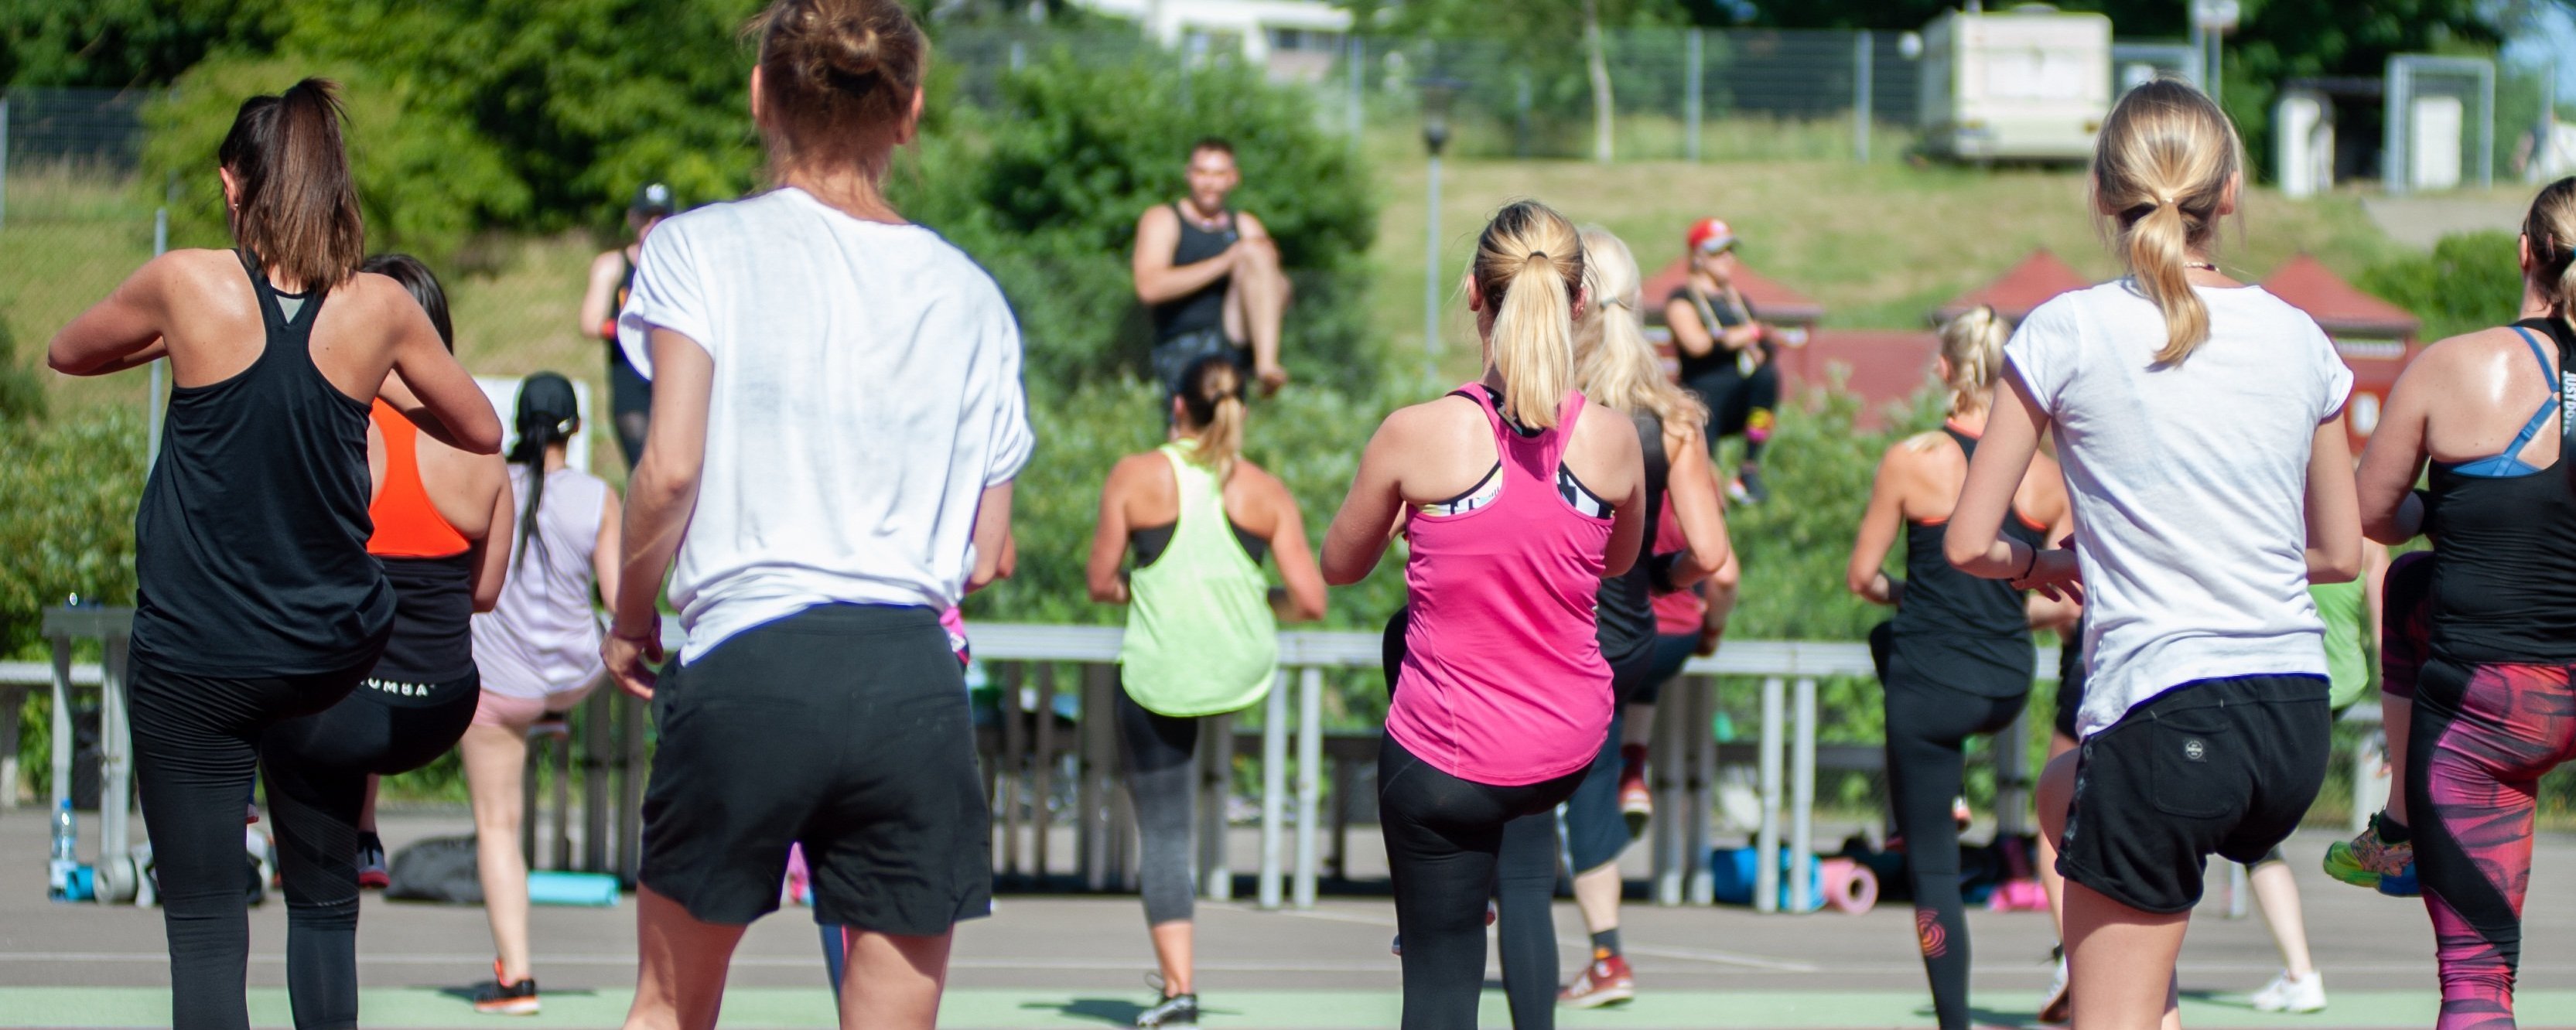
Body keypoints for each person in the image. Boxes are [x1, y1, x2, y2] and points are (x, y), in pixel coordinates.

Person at [598, 2, 1032, 1026]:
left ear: (762, 96)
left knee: (668, 1009)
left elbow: (667, 470)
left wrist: (629, 616)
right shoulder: (971, 297)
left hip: (750, 662)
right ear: (909, 112)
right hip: (910, 685)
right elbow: (984, 551)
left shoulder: (695, 250)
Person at [46, 79, 501, 1030]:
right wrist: (376, 379)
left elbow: (70, 352)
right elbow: (480, 427)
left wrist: (173, 348)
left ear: (232, 183)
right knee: (325, 904)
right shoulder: (376, 307)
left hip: (199, 652)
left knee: (209, 926)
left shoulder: (187, 283)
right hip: (323, 657)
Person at [1942, 78, 2361, 1030]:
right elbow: (2339, 550)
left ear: (2100, 194)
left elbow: (1970, 540)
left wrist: (2039, 566)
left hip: (2168, 707)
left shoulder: (2067, 329)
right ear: (2233, 191)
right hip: (2292, 715)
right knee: (2066, 789)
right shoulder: (2303, 339)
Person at [1320, 199, 1646, 1030]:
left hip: (1450, 761)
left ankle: (1444, 922)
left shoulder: (1416, 435)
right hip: (1562, 745)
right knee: (1521, 851)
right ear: (1578, 303)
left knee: (1440, 980)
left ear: (1475, 293)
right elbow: (1614, 562)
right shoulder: (1615, 441)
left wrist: (1420, 522)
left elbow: (1339, 567)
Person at [249, 252, 512, 1029]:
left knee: (321, 912)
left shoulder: (338, 431)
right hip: (441, 700)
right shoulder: (481, 450)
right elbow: (487, 593)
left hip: (343, 706)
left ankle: (293, 830)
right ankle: (365, 831)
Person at [2343, 176, 2576, 1030]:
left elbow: (2372, 514)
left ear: (2527, 252)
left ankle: (2401, 819)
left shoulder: (2454, 365)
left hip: (2490, 707)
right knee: (2411, 587)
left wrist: (2455, 503)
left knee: (2480, 989)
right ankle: (2403, 820)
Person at [1844, 305, 2071, 1030]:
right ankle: (1954, 787)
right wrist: (1997, 610)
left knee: (1934, 871)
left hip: (1932, 687)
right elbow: (2066, 596)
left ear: (1944, 370)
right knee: (1900, 647)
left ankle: (1952, 1021)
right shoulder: (2044, 478)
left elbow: (1862, 577)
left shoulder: (1914, 460)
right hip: (2007, 677)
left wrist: (1921, 597)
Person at [1085, 354, 1329, 1028]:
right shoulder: (1265, 491)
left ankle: (1180, 988)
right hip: (1240, 669)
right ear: (1239, 411)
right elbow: (1310, 601)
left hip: (1161, 673)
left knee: (1165, 833)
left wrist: (1153, 587)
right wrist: (1251, 599)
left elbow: (1102, 582)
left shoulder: (1135, 477)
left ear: (1176, 408)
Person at [1549, 226, 1733, 1011]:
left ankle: (1599, 952)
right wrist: (1663, 573)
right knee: (1588, 780)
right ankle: (1604, 955)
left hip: (1558, 633)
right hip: (1634, 634)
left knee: (1542, 784)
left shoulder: (1552, 409)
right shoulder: (1672, 418)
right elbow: (1713, 553)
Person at [460, 371, 624, 1015]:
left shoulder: (489, 484)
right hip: (573, 675)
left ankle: (517, 981)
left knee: (497, 827)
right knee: (585, 657)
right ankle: (554, 716)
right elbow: (615, 598)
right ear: (576, 429)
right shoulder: (597, 496)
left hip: (500, 688)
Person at [1132, 138, 1290, 401]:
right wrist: (1226, 261)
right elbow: (1149, 287)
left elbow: (1279, 296)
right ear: (1188, 174)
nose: (1209, 183)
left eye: (1218, 174)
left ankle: (1266, 366)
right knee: (1191, 439)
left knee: (1257, 253)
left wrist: (1270, 271)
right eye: (1202, 172)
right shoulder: (1164, 219)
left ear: (1233, 178)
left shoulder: (1246, 225)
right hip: (1184, 348)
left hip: (1234, 346)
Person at [1662, 217, 1793, 505]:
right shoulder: (1682, 298)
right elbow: (1695, 343)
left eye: (1731, 251)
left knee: (1767, 377)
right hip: (1703, 399)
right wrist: (1749, 332)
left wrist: (1765, 344)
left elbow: (1755, 347)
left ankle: (1748, 469)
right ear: (1698, 255)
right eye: (1718, 252)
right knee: (1703, 486)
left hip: (1736, 396)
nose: (1728, 259)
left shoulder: (1738, 301)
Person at [579, 182, 675, 469]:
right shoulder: (613, 265)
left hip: (671, 375)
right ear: (633, 218)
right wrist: (629, 328)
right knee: (643, 467)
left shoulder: (679, 263)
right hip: (630, 379)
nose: (653, 224)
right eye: (647, 217)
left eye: (661, 216)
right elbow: (589, 323)